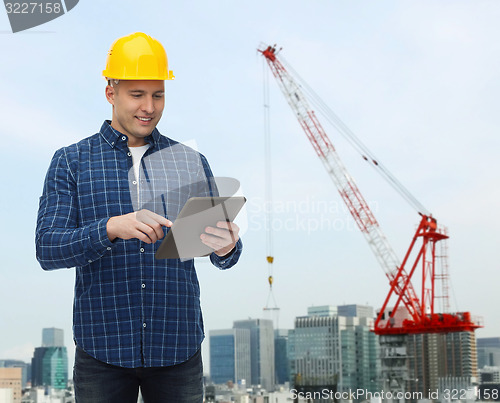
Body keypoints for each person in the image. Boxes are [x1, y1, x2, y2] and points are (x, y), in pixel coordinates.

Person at [35, 32, 243, 403]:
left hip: (178, 349)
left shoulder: (188, 162)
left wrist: (227, 246)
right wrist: (109, 229)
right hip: (102, 352)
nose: (149, 106)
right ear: (110, 92)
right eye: (137, 95)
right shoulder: (72, 161)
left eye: (158, 94)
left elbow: (223, 255)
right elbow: (48, 248)